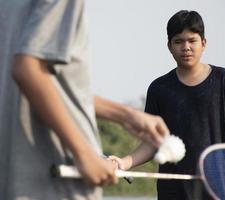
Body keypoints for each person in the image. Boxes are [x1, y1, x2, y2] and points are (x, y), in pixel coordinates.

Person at [0, 0, 169, 199]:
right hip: (56, 179)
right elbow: (28, 71)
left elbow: (50, 89)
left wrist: (126, 115)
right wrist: (84, 154)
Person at [109, 10, 225, 200]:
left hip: (219, 191)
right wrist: (124, 162)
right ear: (169, 46)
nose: (186, 47)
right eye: (178, 41)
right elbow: (153, 142)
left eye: (192, 40)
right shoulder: (159, 88)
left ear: (204, 43)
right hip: (173, 192)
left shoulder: (224, 80)